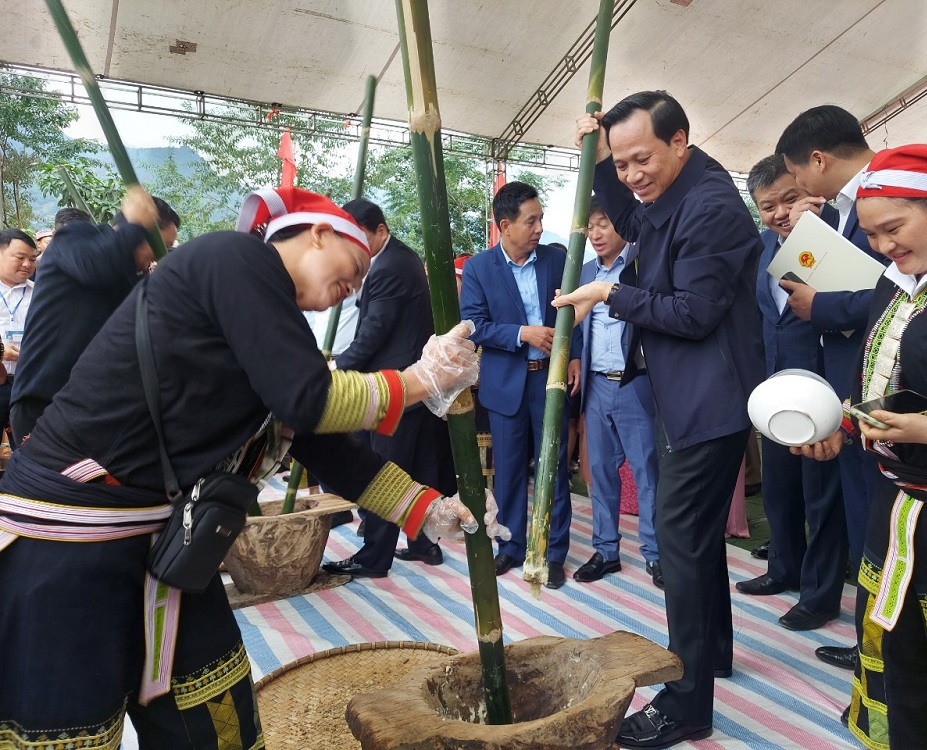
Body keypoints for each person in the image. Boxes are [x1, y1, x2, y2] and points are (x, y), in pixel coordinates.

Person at [0, 186, 498, 750]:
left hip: (171, 546)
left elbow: (325, 445)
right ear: (318, 233)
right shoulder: (232, 258)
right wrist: (417, 382)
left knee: (221, 723)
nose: (353, 287)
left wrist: (427, 509)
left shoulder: (272, 323)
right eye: (354, 267)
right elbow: (307, 400)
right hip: (70, 543)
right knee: (67, 729)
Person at [559, 91, 764, 748]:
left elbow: (693, 313)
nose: (631, 176)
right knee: (696, 542)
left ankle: (685, 702)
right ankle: (714, 658)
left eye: (640, 158)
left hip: (711, 400)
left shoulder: (711, 208)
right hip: (688, 395)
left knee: (679, 543)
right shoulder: (675, 193)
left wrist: (609, 292)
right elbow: (631, 215)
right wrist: (597, 157)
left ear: (680, 141)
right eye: (621, 164)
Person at [794, 144, 927, 749]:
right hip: (898, 508)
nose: (883, 247)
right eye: (872, 234)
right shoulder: (901, 277)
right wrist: (846, 426)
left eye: (892, 229)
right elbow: (892, 383)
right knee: (899, 651)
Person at [775, 105, 891, 660]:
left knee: (880, 517)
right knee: (863, 516)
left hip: (880, 387)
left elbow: (900, 295)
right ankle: (873, 638)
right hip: (848, 385)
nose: (798, 187)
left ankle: (886, 645)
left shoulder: (889, 195)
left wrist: (821, 305)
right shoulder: (842, 211)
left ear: (818, 160)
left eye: (796, 176)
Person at [735, 155, 847, 630]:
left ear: (807, 190)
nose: (780, 212)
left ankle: (821, 596)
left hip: (824, 389)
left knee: (821, 494)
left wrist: (817, 235)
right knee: (780, 489)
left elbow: (848, 305)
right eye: (767, 205)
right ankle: (784, 569)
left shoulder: (835, 238)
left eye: (788, 198)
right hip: (777, 391)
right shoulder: (762, 246)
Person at [460, 181, 582, 590]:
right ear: (505, 225)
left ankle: (552, 554)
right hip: (507, 384)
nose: (539, 228)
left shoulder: (556, 259)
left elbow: (574, 309)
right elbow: (475, 326)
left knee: (554, 468)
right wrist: (521, 334)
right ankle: (510, 548)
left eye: (541, 219)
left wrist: (575, 354)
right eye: (531, 221)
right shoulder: (479, 267)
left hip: (550, 382)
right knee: (509, 472)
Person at [325, 198, 455, 577]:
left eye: (358, 236)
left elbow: (372, 335)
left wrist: (332, 373)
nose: (353, 246)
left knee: (381, 474)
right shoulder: (400, 257)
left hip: (397, 389)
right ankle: (424, 545)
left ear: (380, 230)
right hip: (414, 387)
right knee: (418, 469)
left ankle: (374, 558)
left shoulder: (388, 267)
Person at [9, 189, 179, 445]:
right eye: (159, 246)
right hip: (43, 403)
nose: (158, 257)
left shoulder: (133, 280)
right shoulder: (76, 238)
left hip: (89, 410)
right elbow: (98, 267)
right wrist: (134, 227)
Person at [572, 197, 660, 588]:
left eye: (603, 223)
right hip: (594, 384)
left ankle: (657, 555)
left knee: (646, 473)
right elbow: (575, 326)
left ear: (622, 224)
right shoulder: (585, 271)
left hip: (634, 383)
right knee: (600, 473)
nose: (595, 234)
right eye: (590, 227)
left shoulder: (643, 266)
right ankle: (606, 550)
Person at [0, 230, 37, 435]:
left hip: (28, 384)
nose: (27, 264)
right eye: (20, 257)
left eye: (32, 259)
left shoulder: (40, 293)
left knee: (28, 446)